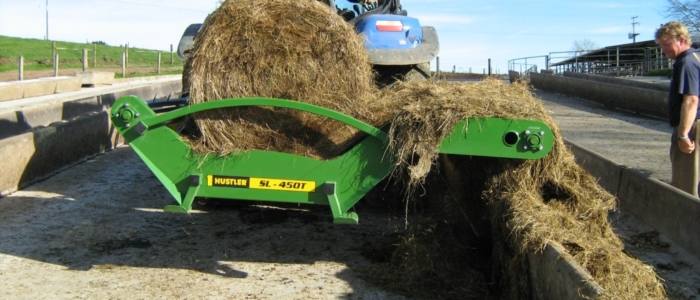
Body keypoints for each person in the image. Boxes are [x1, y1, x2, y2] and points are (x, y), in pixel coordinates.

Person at [655, 21, 700, 196]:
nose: (663, 50)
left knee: (685, 183)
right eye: (661, 46)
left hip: (692, 128)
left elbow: (691, 100)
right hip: (694, 124)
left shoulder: (686, 63)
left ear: (681, 40)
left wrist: (682, 135)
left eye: (666, 44)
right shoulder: (695, 58)